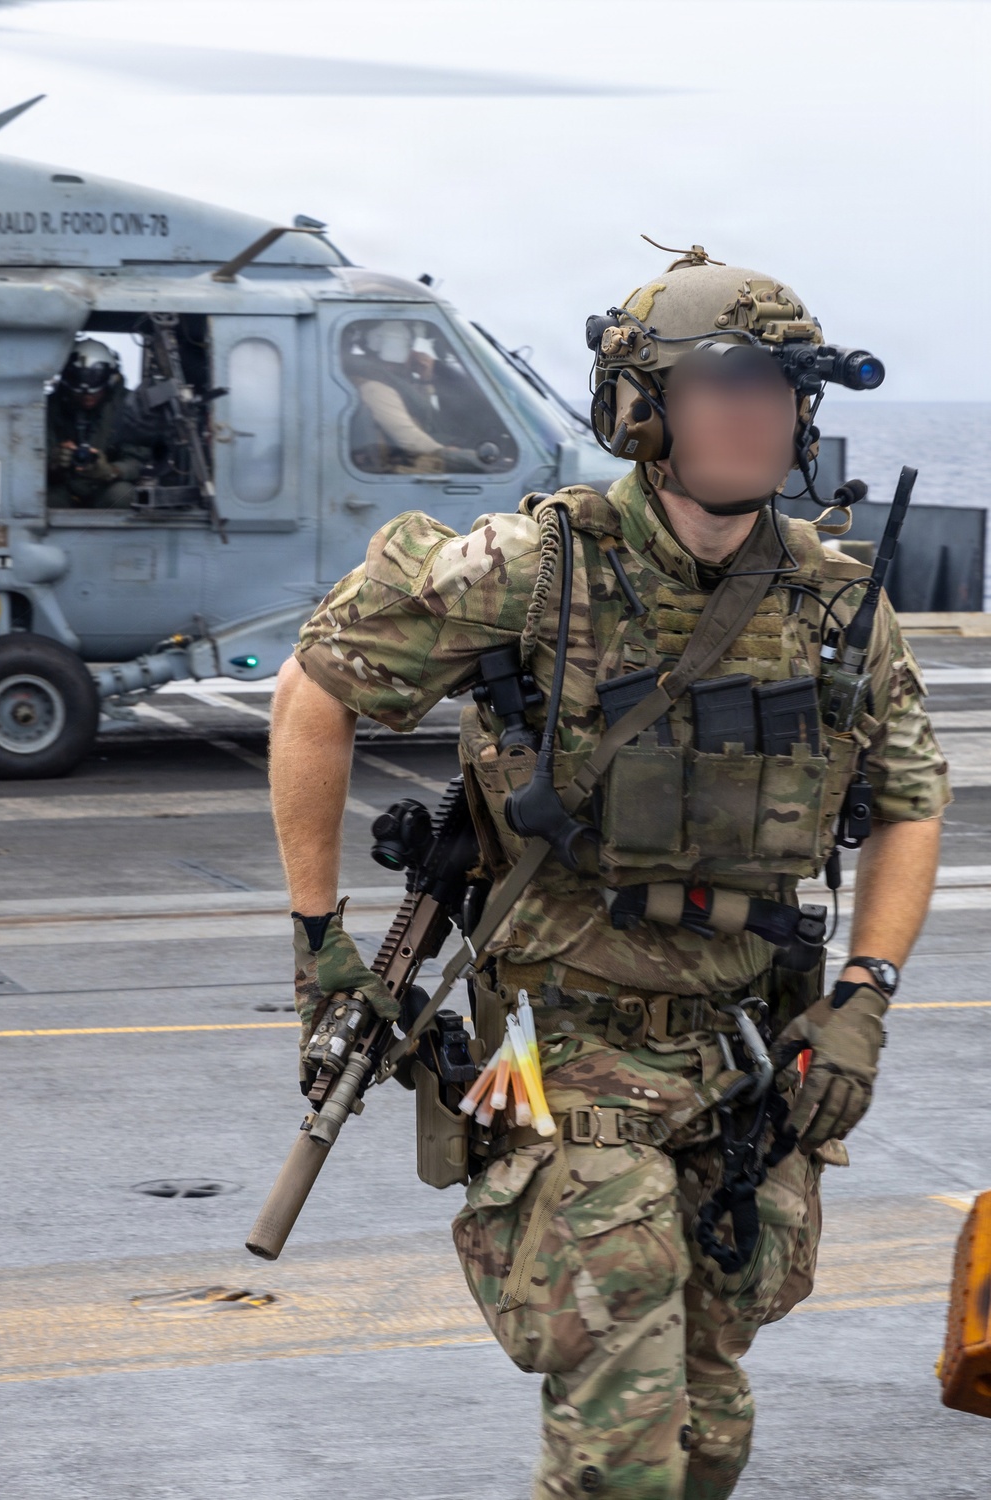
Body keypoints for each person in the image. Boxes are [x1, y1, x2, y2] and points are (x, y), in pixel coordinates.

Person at [269, 250, 949, 1499]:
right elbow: (315, 685)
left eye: (784, 387)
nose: (759, 413)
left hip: (748, 1054)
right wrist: (320, 940)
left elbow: (909, 798)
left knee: (706, 1429)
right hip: (556, 1045)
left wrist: (863, 996)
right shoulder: (533, 570)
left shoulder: (837, 602)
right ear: (640, 410)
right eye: (723, 384)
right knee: (623, 1432)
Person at [343, 318, 499, 473]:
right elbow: (410, 439)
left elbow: (426, 418)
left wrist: (426, 381)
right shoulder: (375, 389)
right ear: (393, 347)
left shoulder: (389, 384)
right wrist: (447, 452)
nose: (415, 354)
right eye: (409, 345)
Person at [47, 338, 152, 509]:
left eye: (95, 390)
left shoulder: (129, 407)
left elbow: (139, 460)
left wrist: (111, 470)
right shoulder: (50, 409)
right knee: (39, 500)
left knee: (122, 495)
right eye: (79, 392)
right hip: (63, 488)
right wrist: (54, 461)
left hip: (105, 488)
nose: (88, 397)